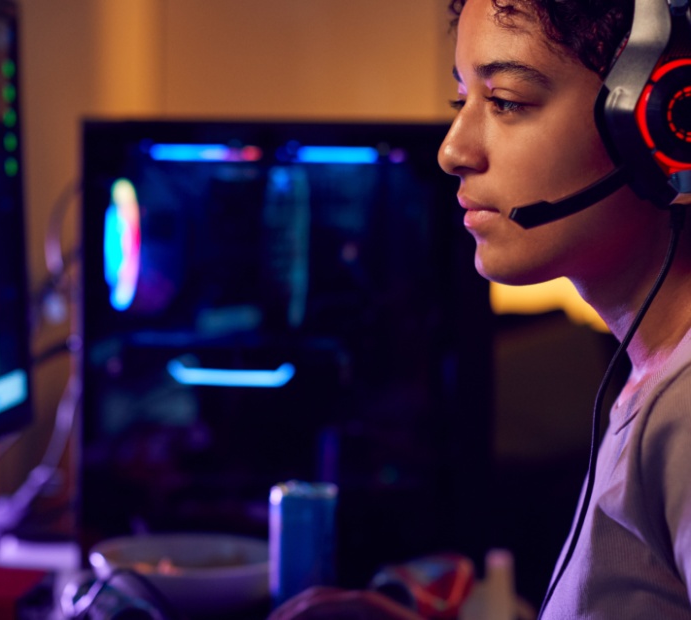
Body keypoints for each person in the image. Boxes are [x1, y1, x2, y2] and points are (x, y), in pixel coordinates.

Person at [268, 0, 691, 618]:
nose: (452, 150)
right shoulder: (653, 385)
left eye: (506, 102)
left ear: (660, 120)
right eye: (459, 101)